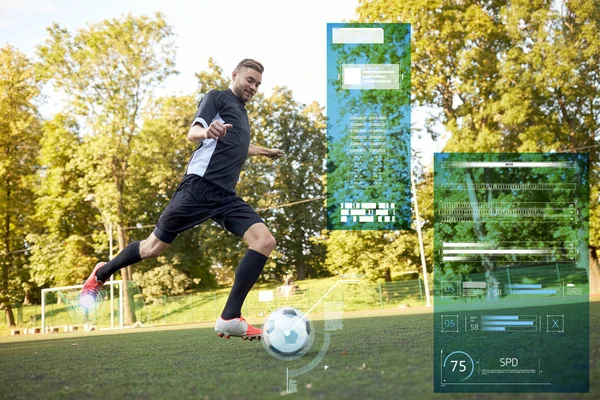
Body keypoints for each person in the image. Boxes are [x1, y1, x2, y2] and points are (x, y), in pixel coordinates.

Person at [81, 59, 284, 341]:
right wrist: (207, 131)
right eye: (250, 80)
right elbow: (194, 132)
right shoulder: (217, 98)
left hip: (225, 196)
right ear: (235, 75)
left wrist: (265, 152)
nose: (254, 87)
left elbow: (238, 145)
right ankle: (102, 273)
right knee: (152, 248)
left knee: (264, 241)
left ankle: (229, 317)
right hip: (198, 188)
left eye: (258, 84)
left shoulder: (242, 113)